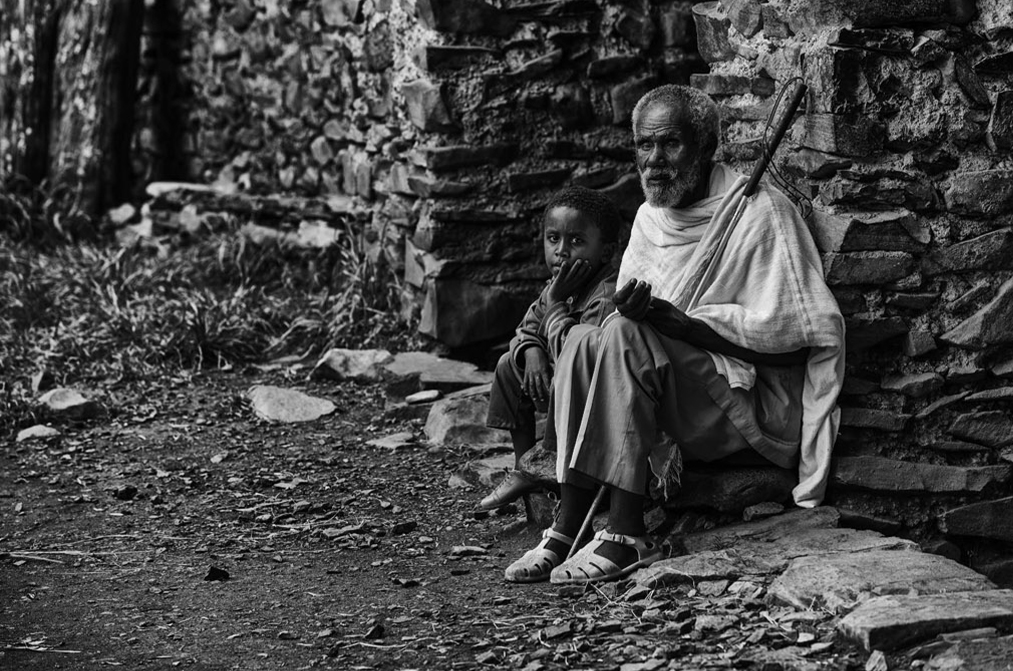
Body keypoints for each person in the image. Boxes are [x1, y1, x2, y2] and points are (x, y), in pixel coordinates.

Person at [504, 84, 845, 584]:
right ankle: (567, 523)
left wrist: (686, 327)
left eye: (671, 145)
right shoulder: (649, 218)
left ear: (706, 147)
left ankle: (625, 534)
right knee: (583, 338)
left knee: (621, 333)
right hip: (674, 397)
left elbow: (802, 343)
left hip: (752, 407)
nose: (655, 161)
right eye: (645, 145)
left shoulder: (759, 214)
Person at [479, 186, 622, 511]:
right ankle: (525, 468)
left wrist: (555, 306)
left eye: (576, 241)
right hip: (552, 378)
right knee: (507, 364)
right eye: (553, 238)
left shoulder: (605, 294)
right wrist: (531, 352)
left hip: (590, 394)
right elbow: (527, 327)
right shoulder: (556, 286)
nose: (561, 252)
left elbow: (581, 354)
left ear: (606, 251)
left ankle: (558, 472)